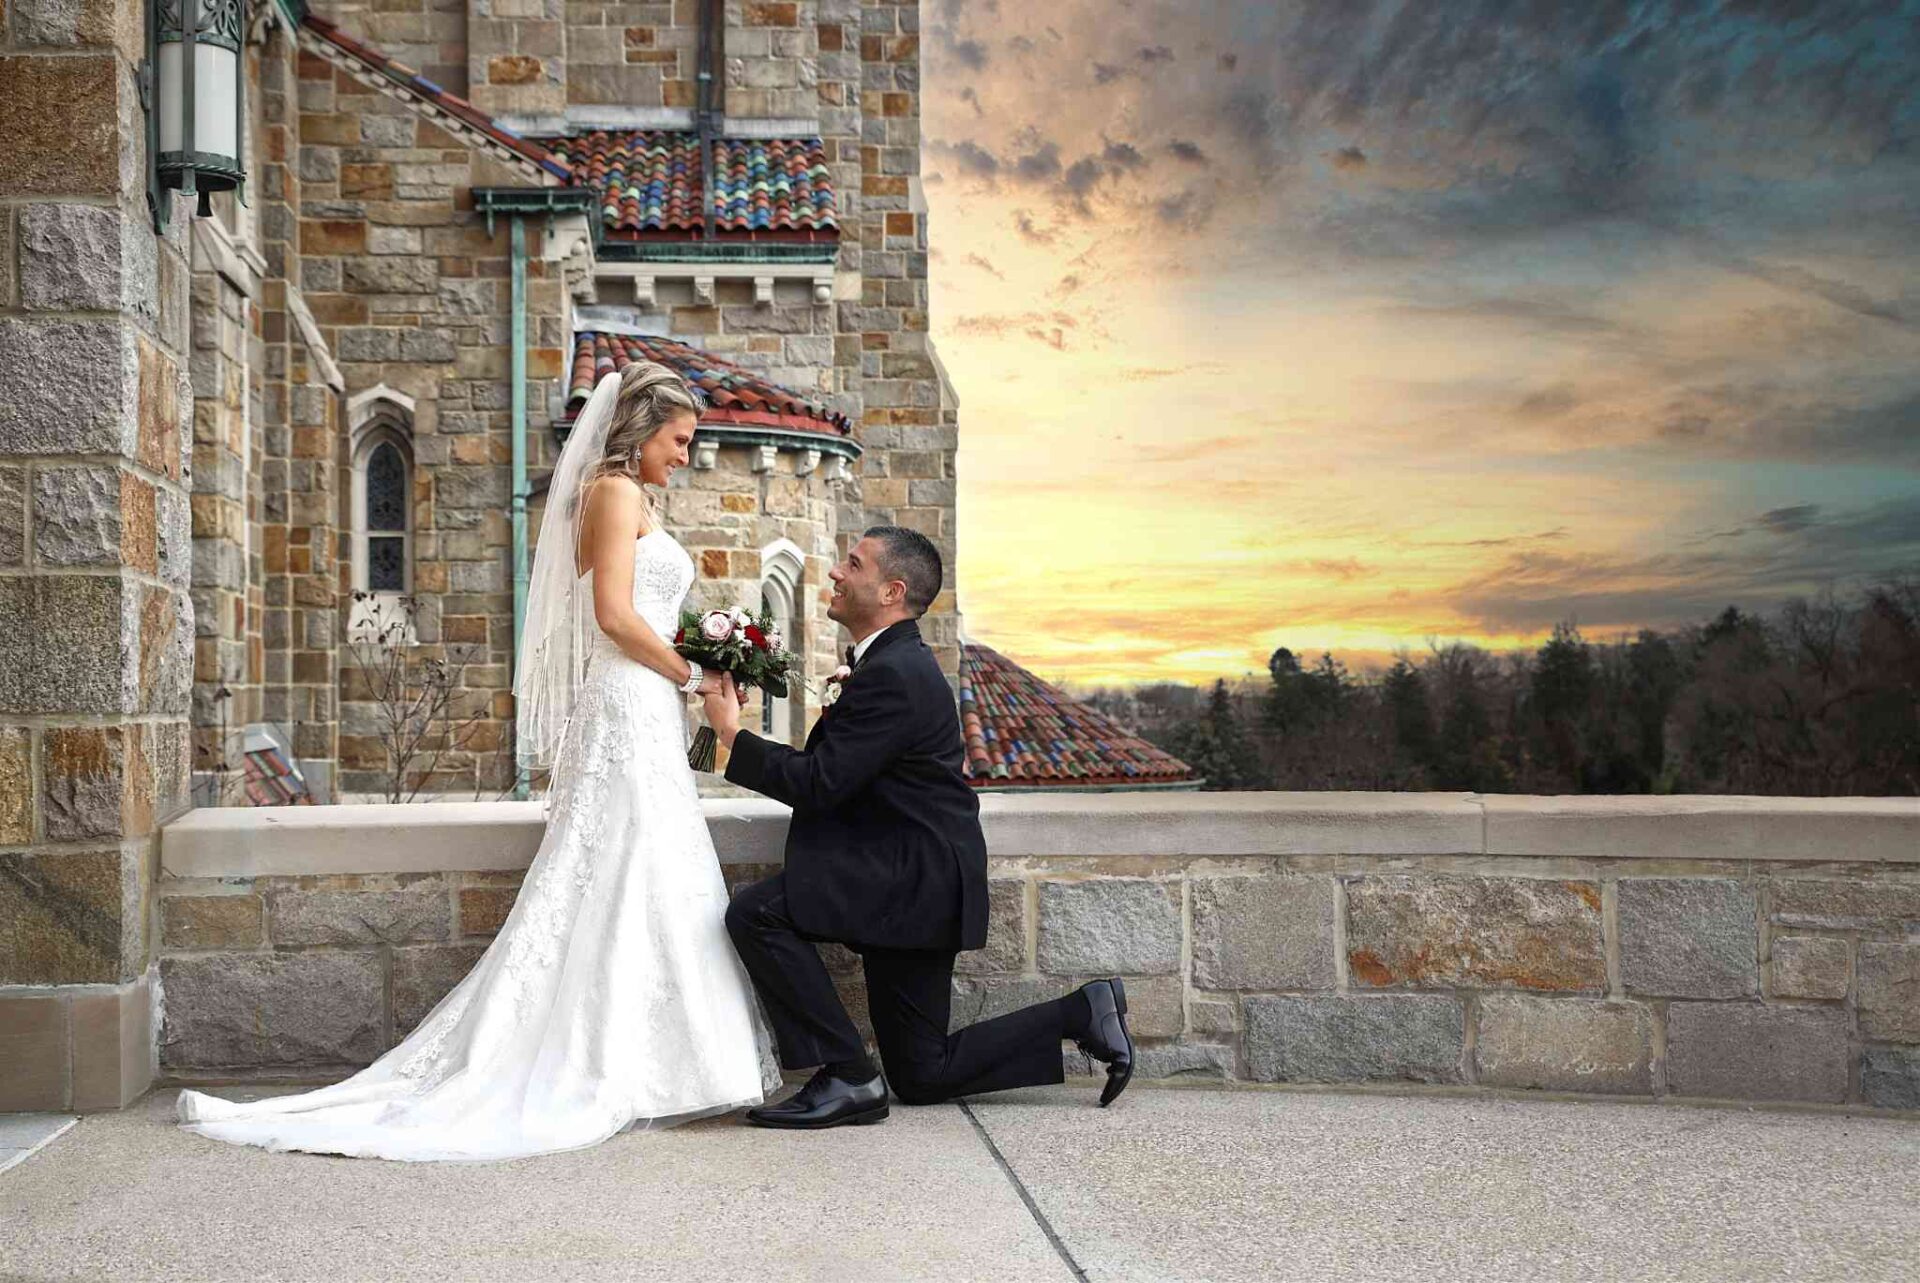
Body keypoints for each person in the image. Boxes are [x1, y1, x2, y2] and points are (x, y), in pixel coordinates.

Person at [174, 362, 778, 1161]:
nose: (685, 455)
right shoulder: (614, 492)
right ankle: (629, 1062)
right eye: (679, 440)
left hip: (647, 705)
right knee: (630, 858)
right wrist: (688, 672)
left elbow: (647, 609)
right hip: (631, 699)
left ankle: (670, 1060)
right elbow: (612, 615)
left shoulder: (635, 497)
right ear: (641, 429)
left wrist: (701, 654)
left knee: (651, 863)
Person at [703, 527, 1135, 1129]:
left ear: (891, 590)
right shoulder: (889, 661)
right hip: (910, 875)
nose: (835, 573)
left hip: (908, 881)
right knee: (922, 1074)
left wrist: (731, 734)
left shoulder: (895, 672)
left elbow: (820, 783)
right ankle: (1081, 1013)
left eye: (852, 565)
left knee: (758, 913)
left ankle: (848, 1076)